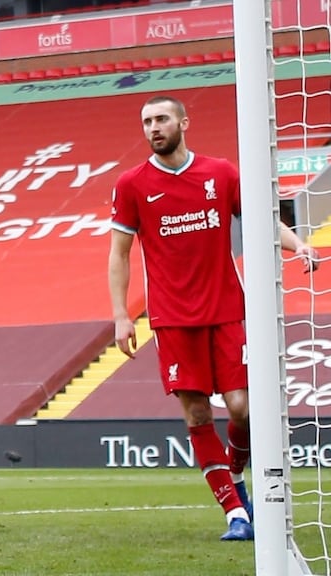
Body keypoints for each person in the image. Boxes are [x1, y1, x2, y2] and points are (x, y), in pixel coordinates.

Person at [108, 95, 320, 542]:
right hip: (171, 317)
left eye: (162, 119)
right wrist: (120, 316)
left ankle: (235, 471)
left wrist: (297, 244)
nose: (153, 128)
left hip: (226, 309)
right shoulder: (132, 184)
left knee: (242, 408)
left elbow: (263, 220)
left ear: (183, 121)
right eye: (146, 122)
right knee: (198, 413)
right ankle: (235, 513)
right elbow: (120, 254)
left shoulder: (220, 173)